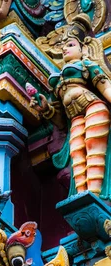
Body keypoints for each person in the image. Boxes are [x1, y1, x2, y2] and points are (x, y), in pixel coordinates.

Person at [31, 13, 111, 198]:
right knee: (76, 153)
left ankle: (96, 194)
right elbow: (60, 122)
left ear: (83, 49)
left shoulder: (86, 66)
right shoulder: (57, 80)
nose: (65, 49)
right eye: (63, 45)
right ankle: (82, 196)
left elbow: (105, 87)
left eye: (71, 45)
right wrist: (46, 109)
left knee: (93, 146)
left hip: (93, 107)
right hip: (74, 117)